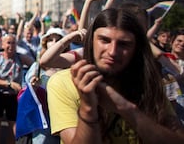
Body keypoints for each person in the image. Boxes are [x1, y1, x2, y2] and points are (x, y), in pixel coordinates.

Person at [47, 8, 184, 143]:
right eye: (104, 40)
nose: (112, 52)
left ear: (136, 48)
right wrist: (88, 107)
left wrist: (126, 108)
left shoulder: (148, 82)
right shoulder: (63, 82)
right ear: (91, 41)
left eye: (123, 44)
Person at [0, 33, 34, 144]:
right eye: (8, 42)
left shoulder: (19, 57)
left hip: (14, 97)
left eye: (13, 43)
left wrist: (32, 77)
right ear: (3, 44)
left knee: (14, 130)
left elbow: (36, 64)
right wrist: (10, 84)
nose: (11, 45)